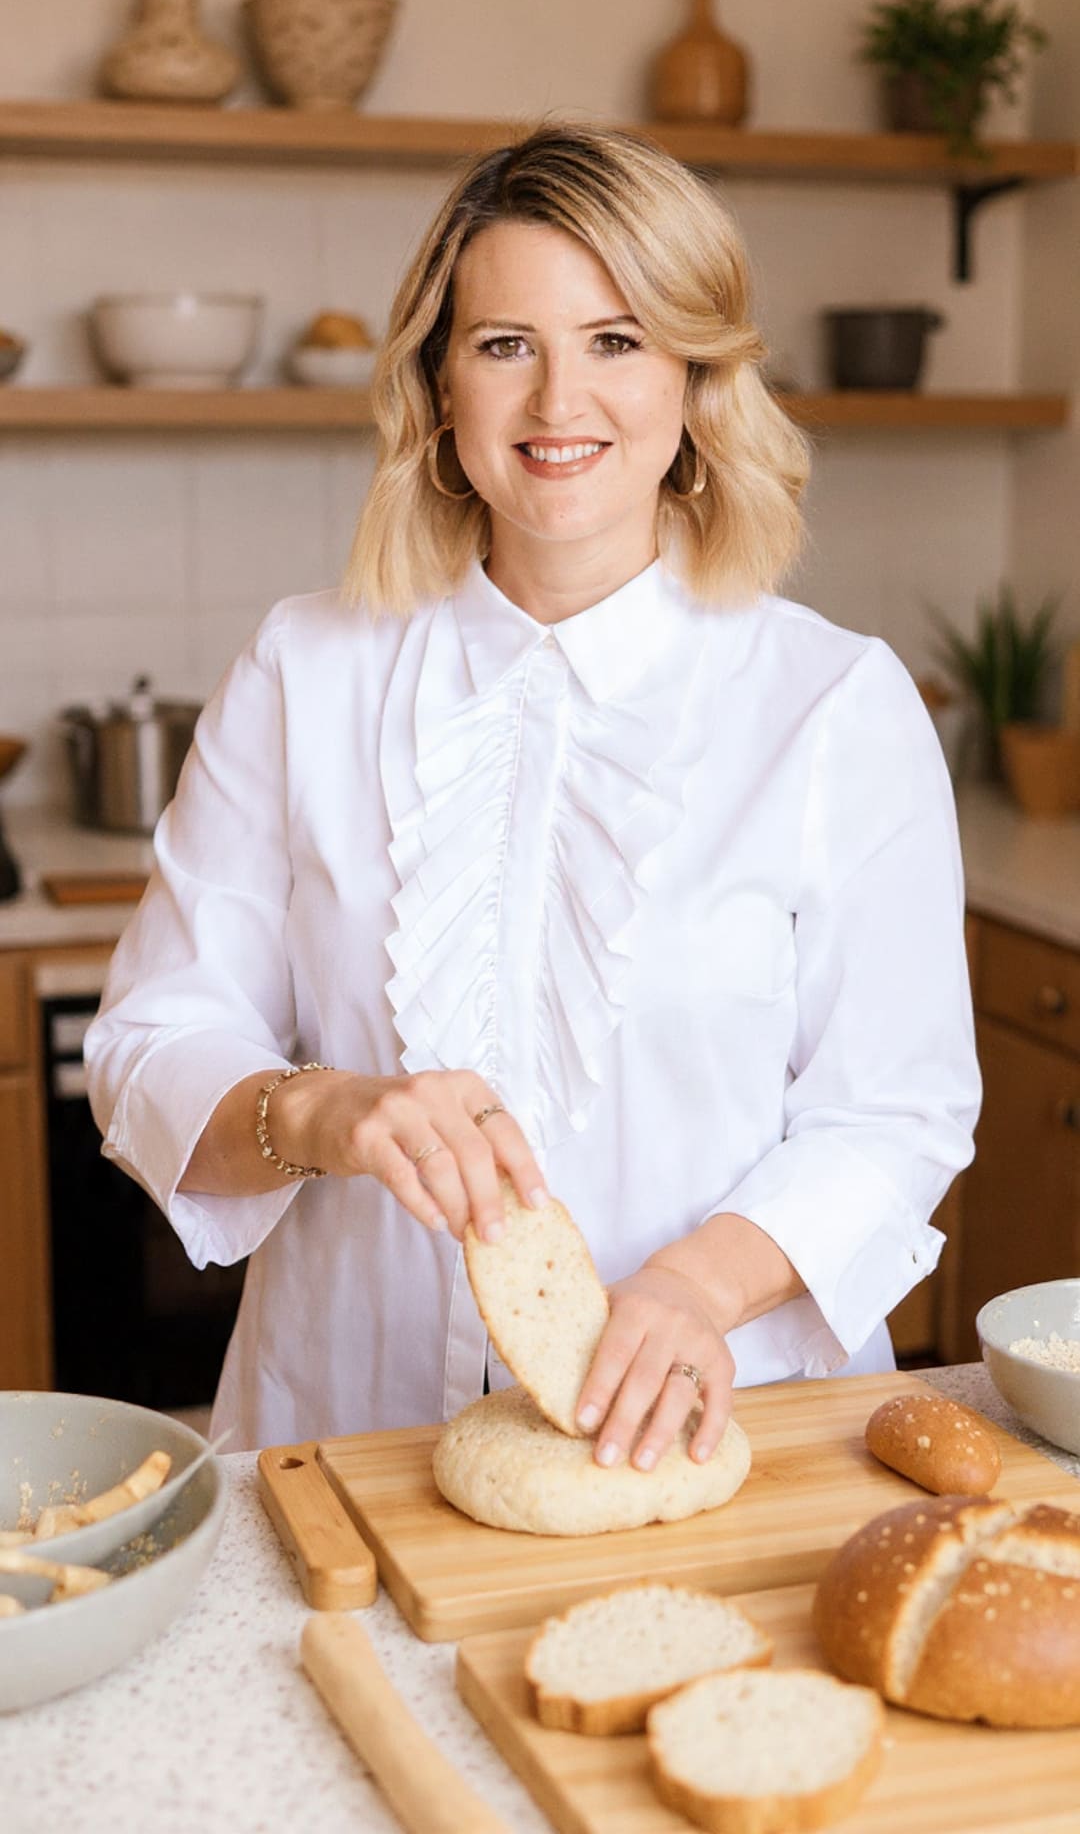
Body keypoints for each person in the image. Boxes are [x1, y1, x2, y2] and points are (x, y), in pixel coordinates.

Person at [86, 124, 981, 1461]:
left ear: (694, 377)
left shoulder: (833, 705)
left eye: (617, 339)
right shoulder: (304, 669)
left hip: (713, 1439)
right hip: (346, 1439)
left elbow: (898, 1114)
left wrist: (693, 1289)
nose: (561, 402)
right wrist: (321, 1110)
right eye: (507, 344)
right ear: (441, 383)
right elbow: (148, 1047)